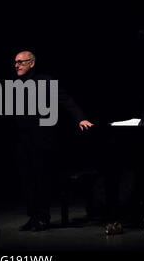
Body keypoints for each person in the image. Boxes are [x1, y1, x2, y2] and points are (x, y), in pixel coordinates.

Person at [13, 51, 93, 231]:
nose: (16, 65)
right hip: (22, 140)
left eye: (20, 62)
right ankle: (33, 217)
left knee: (41, 179)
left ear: (32, 63)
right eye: (15, 62)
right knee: (26, 180)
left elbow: (66, 100)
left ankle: (43, 217)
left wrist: (80, 118)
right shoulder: (14, 85)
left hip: (42, 139)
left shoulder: (45, 81)